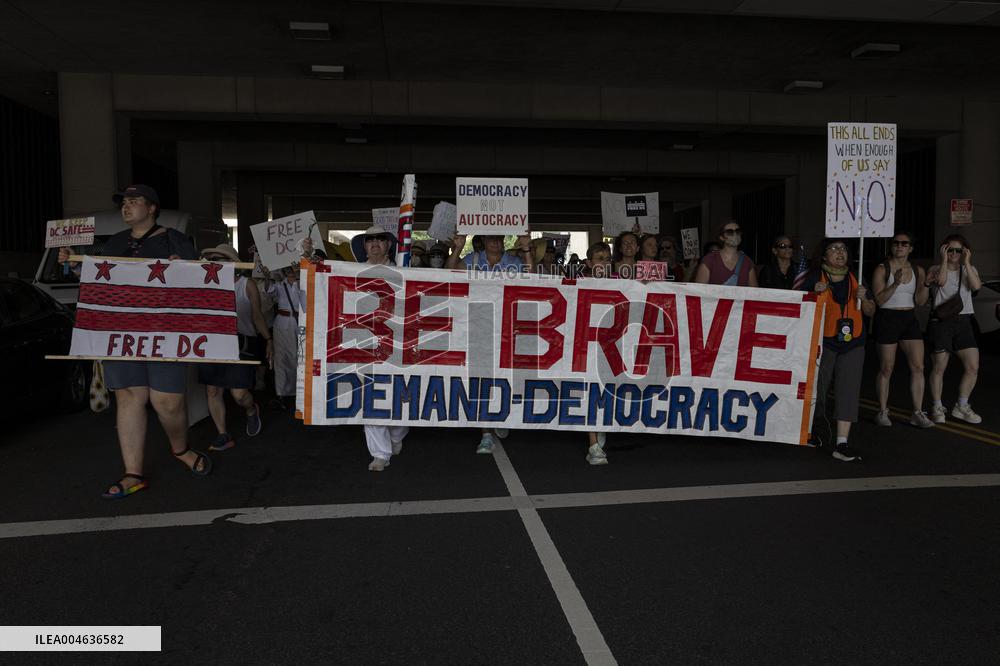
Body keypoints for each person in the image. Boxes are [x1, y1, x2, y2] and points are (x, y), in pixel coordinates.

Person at [58, 184, 211, 498]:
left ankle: (180, 449)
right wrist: (76, 265)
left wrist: (183, 269)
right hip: (122, 333)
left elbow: (198, 283)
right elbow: (100, 282)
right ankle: (133, 473)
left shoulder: (175, 239)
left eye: (134, 201)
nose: (126, 207)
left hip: (165, 334)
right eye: (124, 203)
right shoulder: (115, 242)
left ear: (152, 207)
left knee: (167, 402)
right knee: (128, 397)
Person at [446, 232, 532, 453]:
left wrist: (526, 250)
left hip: (507, 327)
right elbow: (448, 273)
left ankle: (501, 417)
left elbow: (532, 278)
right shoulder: (472, 260)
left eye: (499, 238)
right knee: (482, 379)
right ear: (483, 241)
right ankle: (485, 433)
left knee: (506, 377)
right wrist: (457, 248)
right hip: (478, 327)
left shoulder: (512, 262)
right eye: (490, 238)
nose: (495, 241)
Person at [802, 239, 876, 462]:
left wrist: (865, 299)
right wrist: (812, 293)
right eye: (833, 248)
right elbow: (799, 308)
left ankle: (842, 443)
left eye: (843, 248)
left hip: (853, 342)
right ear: (823, 256)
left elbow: (871, 311)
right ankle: (812, 430)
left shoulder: (857, 277)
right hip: (823, 342)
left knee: (848, 390)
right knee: (819, 390)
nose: (839, 252)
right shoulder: (814, 278)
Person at [197, 244, 273, 450]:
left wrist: (268, 340)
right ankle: (223, 434)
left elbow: (257, 315)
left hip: (241, 342)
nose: (215, 263)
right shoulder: (205, 285)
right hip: (212, 342)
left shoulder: (246, 285)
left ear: (232, 263)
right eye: (212, 259)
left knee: (239, 394)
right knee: (213, 391)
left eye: (220, 259)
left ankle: (251, 409)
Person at [357, 226, 411, 470]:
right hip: (365, 343)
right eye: (370, 239)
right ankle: (380, 453)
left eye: (381, 239)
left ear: (389, 244)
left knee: (401, 395)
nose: (375, 243)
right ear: (364, 245)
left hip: (398, 343)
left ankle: (397, 435)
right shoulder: (350, 271)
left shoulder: (404, 269)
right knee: (371, 397)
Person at [871, 232, 932, 428]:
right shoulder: (883, 268)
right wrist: (896, 282)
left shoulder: (917, 270)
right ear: (891, 246)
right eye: (896, 243)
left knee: (918, 367)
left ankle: (917, 412)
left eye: (904, 243)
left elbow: (921, 302)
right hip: (887, 318)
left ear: (910, 248)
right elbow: (879, 301)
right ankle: (882, 411)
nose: (900, 246)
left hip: (909, 318)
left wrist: (927, 284)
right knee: (887, 368)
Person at [926, 234, 983, 424]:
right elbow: (941, 282)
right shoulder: (935, 268)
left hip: (964, 321)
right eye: (950, 249)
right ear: (944, 250)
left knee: (973, 366)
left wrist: (967, 262)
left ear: (964, 251)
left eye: (959, 250)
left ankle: (961, 405)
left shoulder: (969, 269)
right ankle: (936, 406)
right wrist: (943, 260)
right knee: (939, 366)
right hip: (942, 322)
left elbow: (976, 287)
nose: (954, 253)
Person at [582, 241, 615, 464]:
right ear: (589, 263)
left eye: (607, 259)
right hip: (585, 347)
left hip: (610, 348)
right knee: (588, 393)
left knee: (606, 393)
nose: (604, 263)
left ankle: (599, 425)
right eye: (600, 259)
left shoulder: (619, 285)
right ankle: (592, 445)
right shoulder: (579, 285)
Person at [262, 261, 304, 411]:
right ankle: (281, 393)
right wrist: (267, 277)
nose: (290, 270)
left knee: (299, 358)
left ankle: (299, 392)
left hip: (301, 324)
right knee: (281, 358)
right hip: (282, 324)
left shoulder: (304, 283)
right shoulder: (280, 286)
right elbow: (268, 290)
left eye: (293, 267)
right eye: (288, 268)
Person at [693, 221, 758, 287]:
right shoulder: (710, 260)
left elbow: (755, 294)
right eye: (730, 232)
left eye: (738, 231)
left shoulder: (747, 262)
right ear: (722, 237)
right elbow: (699, 293)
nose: (735, 234)